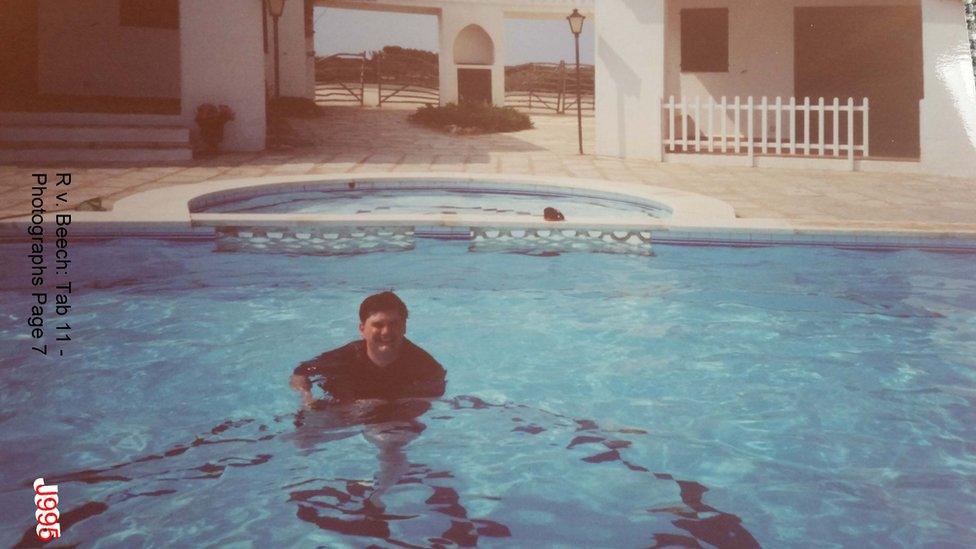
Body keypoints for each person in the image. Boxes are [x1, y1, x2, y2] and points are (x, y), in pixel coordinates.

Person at [289, 291, 446, 409]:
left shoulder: (426, 367)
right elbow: (300, 372)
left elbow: (426, 401)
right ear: (362, 329)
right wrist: (307, 397)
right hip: (343, 404)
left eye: (393, 324)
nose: (386, 332)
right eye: (378, 325)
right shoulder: (347, 356)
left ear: (404, 327)